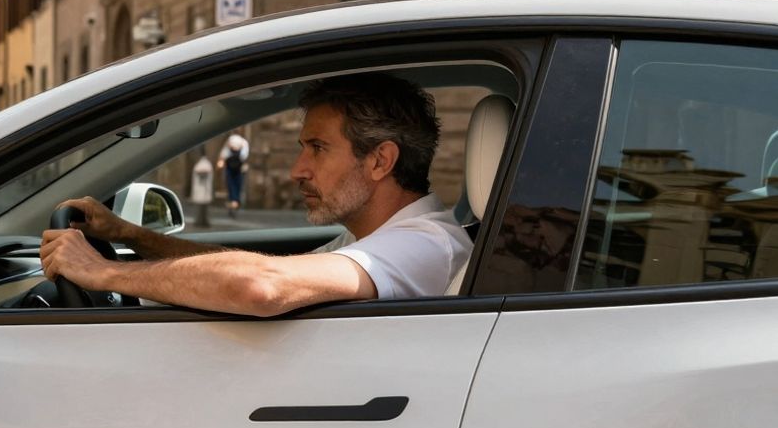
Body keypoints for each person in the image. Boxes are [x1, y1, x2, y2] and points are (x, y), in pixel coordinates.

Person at [39, 73, 472, 316]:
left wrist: (101, 273)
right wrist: (129, 234)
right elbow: (245, 267)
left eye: (317, 149)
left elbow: (260, 284)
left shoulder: (424, 244)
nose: (296, 170)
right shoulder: (369, 239)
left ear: (380, 161)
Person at [217, 132, 249, 217]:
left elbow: (224, 154)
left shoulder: (230, 140)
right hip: (239, 168)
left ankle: (233, 202)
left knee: (231, 186)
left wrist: (221, 161)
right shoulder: (243, 142)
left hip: (230, 168)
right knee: (237, 186)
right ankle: (235, 202)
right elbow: (244, 156)